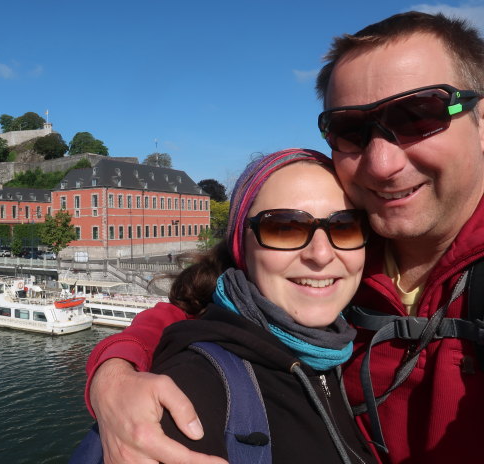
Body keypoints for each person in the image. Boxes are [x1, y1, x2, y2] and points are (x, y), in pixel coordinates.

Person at [85, 11, 484, 464]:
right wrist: (115, 370)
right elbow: (202, 310)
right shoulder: (351, 252)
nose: (381, 164)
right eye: (351, 131)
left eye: (417, 116)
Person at [148, 148, 376, 463]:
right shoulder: (193, 388)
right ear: (242, 246)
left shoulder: (347, 346)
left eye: (345, 226)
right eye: (285, 227)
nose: (321, 255)